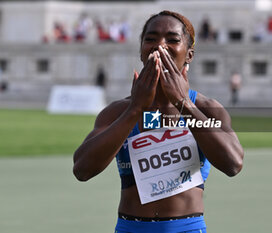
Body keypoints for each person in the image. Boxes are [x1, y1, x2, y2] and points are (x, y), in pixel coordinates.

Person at [73, 10, 244, 233]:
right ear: (141, 50)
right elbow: (82, 169)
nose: (160, 46)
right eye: (150, 39)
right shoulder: (118, 111)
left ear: (189, 54)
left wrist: (183, 104)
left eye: (172, 40)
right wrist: (135, 110)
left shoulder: (207, 109)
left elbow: (233, 164)